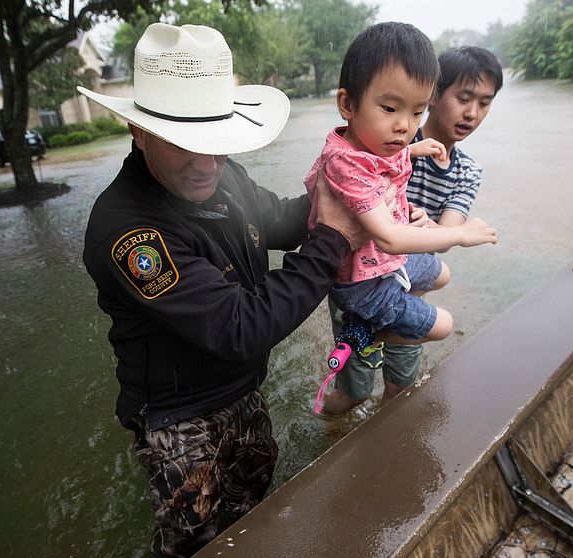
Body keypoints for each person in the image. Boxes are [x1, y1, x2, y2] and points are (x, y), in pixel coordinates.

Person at [78, 23, 362, 557]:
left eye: (216, 140)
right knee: (194, 539)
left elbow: (278, 219)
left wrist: (351, 186)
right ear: (138, 132)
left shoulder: (218, 171)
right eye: (184, 143)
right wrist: (333, 243)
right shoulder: (129, 232)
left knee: (253, 497)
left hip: (241, 387)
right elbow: (239, 326)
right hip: (178, 414)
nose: (206, 162)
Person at [304, 22, 497, 392]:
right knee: (435, 332)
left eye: (416, 113)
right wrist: (460, 233)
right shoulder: (355, 157)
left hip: (387, 266)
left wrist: (413, 149)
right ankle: (363, 332)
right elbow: (391, 236)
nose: (404, 127)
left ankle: (377, 332)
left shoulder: (397, 144)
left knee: (442, 275)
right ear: (347, 103)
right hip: (364, 277)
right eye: (391, 108)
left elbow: (375, 158)